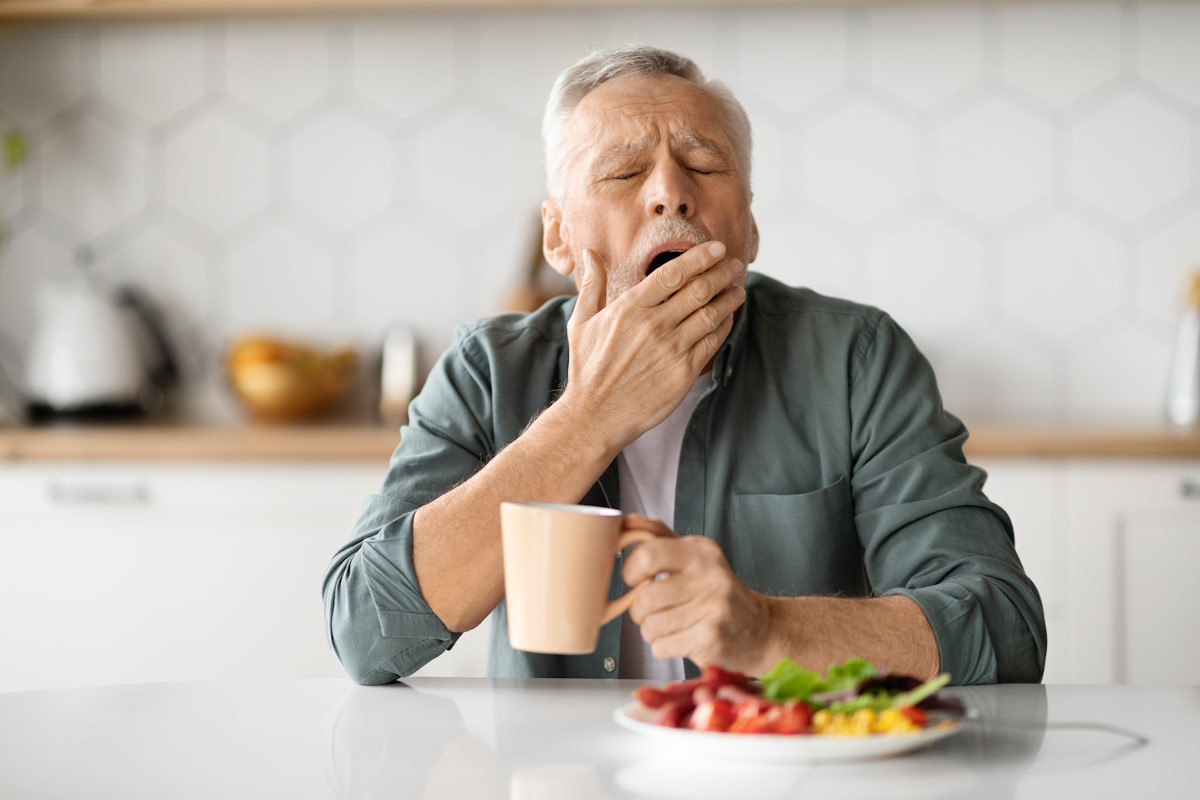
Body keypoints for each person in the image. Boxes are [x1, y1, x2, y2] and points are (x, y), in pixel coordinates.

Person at [322, 44, 1046, 686]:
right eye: (624, 172)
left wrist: (770, 632)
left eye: (703, 164)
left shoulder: (858, 359)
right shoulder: (485, 369)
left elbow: (1003, 626)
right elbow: (365, 630)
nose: (670, 191)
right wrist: (588, 419)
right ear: (558, 237)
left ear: (749, 225)